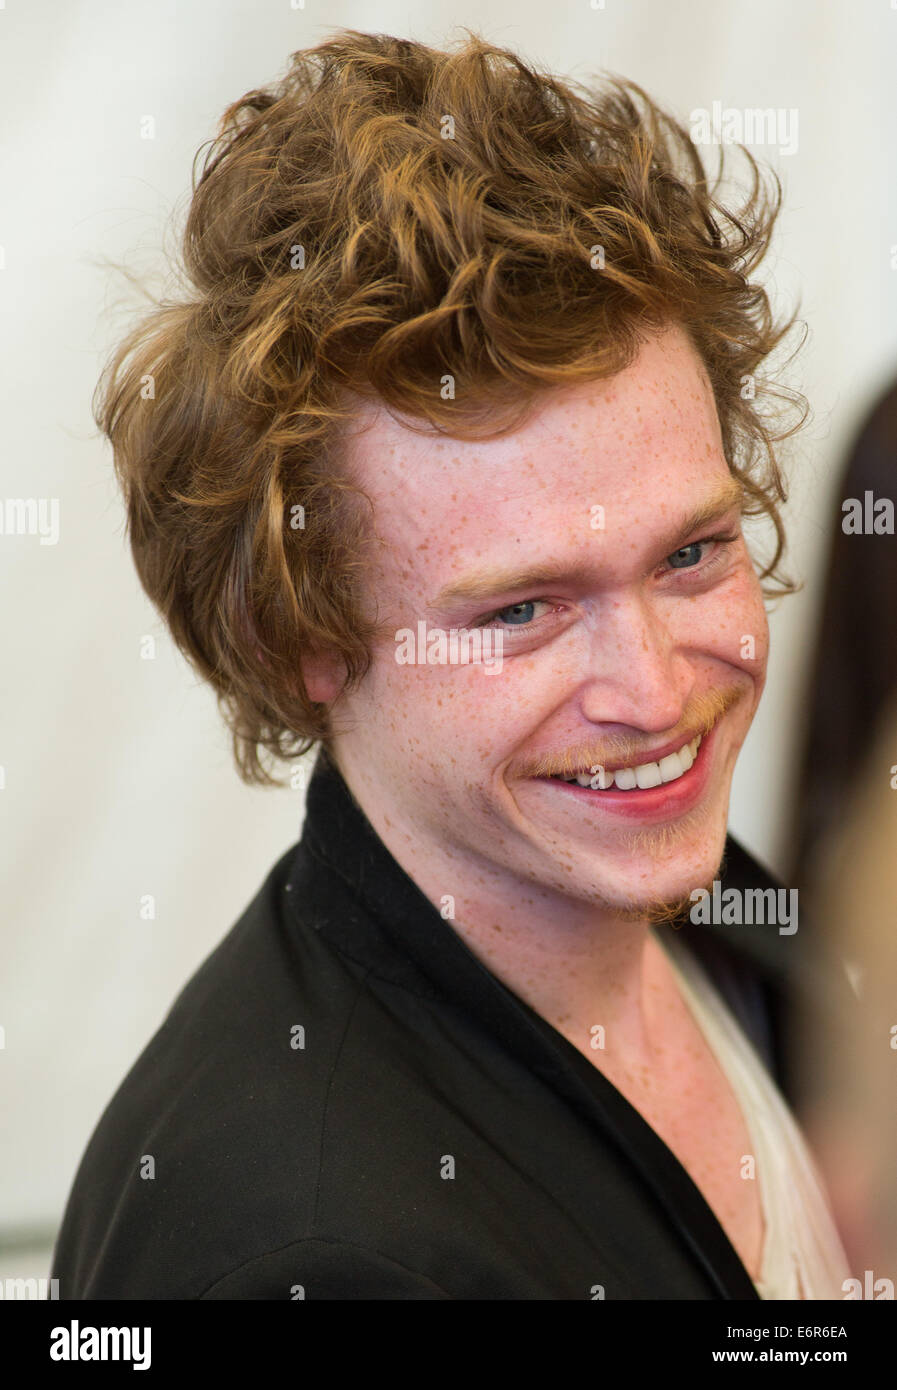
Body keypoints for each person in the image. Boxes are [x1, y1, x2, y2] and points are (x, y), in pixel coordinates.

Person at [51, 27, 856, 1300]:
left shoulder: (721, 926)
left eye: (692, 553)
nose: (659, 694)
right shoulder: (309, 1257)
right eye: (524, 610)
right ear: (300, 640)